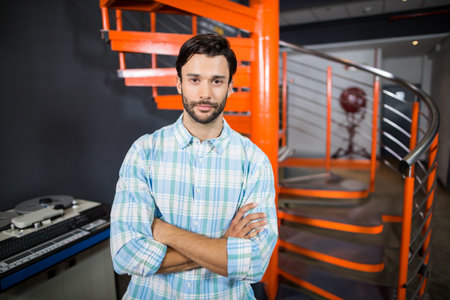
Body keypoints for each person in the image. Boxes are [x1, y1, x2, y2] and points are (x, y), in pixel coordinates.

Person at [110, 33, 278, 299]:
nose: (205, 93)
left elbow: (255, 263)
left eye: (217, 81)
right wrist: (223, 247)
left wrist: (164, 231)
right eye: (194, 79)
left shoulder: (254, 162)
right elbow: (125, 256)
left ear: (230, 86)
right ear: (179, 84)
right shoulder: (144, 152)